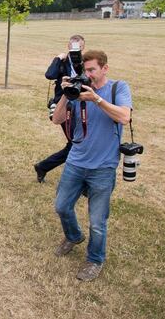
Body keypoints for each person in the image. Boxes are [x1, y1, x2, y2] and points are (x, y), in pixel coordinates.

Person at [51, 49, 132, 281]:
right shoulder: (77, 91)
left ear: (104, 68)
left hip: (103, 167)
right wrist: (67, 94)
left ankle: (95, 260)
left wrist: (96, 99)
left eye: (91, 70)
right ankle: (74, 236)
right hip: (76, 161)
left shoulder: (118, 88)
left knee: (97, 221)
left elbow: (124, 117)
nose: (87, 75)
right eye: (84, 71)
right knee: (61, 206)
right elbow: (57, 120)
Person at [34, 35, 85, 183]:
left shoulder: (84, 62)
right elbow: (49, 75)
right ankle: (44, 167)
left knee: (76, 143)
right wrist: (57, 58)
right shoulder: (62, 63)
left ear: (83, 47)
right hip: (63, 107)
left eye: (80, 47)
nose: (77, 50)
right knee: (75, 144)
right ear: (68, 46)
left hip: (81, 105)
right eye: (74, 47)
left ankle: (43, 167)